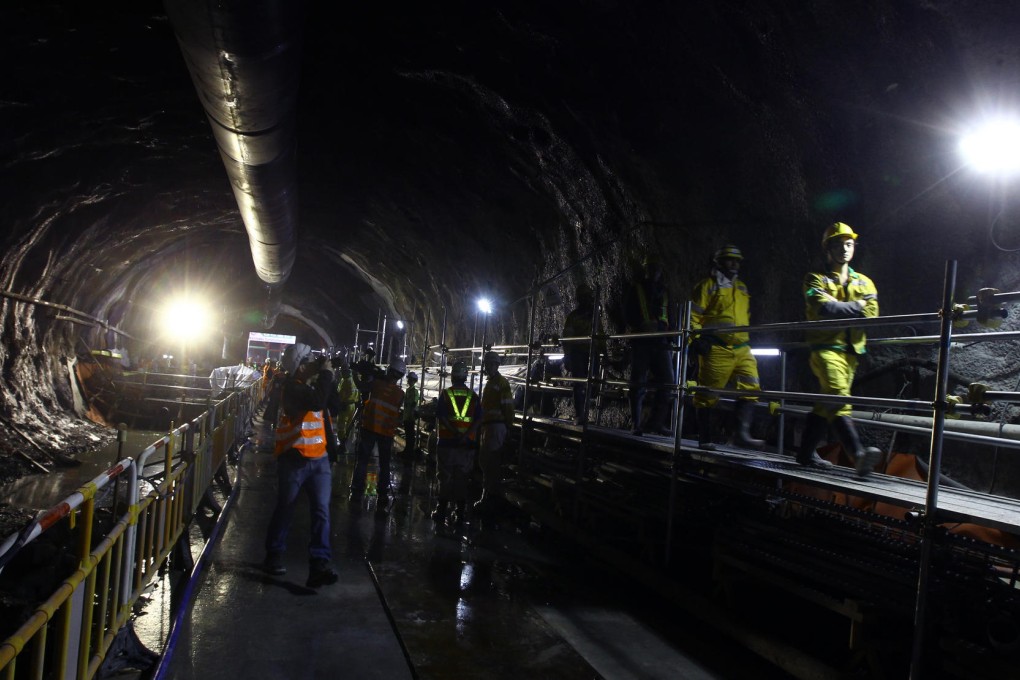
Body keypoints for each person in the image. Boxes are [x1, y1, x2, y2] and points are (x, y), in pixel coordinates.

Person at [798, 222, 882, 476]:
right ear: (828, 248)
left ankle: (804, 453)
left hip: (852, 352)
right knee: (837, 394)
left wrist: (843, 307)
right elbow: (825, 309)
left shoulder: (864, 282)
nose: (845, 249)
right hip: (825, 348)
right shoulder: (814, 279)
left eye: (849, 244)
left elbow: (872, 314)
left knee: (827, 402)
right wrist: (857, 306)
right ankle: (857, 454)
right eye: (838, 244)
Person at [263, 342, 340, 587]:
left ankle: (319, 564)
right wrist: (326, 374)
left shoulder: (313, 386)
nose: (313, 364)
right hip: (294, 459)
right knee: (285, 507)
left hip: (319, 460)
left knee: (321, 511)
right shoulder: (292, 388)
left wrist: (330, 379)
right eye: (309, 361)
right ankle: (274, 554)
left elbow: (332, 406)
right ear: (299, 367)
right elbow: (317, 402)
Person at [690, 245, 764, 451]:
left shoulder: (742, 288)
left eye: (737, 260)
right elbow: (693, 316)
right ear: (719, 262)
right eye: (730, 260)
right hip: (717, 348)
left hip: (742, 347)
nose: (735, 264)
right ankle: (705, 438)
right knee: (707, 394)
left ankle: (741, 434)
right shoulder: (707, 286)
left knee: (751, 387)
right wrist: (696, 340)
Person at [624, 254, 675, 436]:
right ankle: (636, 424)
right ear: (646, 270)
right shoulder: (636, 289)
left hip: (661, 342)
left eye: (657, 268)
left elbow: (670, 316)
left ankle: (656, 423)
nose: (655, 271)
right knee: (638, 382)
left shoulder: (665, 291)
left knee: (668, 382)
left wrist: (672, 339)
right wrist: (640, 324)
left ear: (661, 271)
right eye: (651, 268)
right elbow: (628, 314)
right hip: (642, 341)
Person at [350, 358, 406, 514]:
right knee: (385, 464)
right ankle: (382, 494)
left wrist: (355, 373)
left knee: (363, 460)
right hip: (386, 433)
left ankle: (357, 489)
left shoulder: (376, 384)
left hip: (369, 428)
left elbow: (362, 387)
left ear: (389, 370)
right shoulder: (400, 394)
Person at [433, 360, 481, 532]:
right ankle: (460, 514)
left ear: (453, 376)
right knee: (461, 478)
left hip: (447, 443)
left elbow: (442, 417)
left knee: (445, 478)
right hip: (466, 446)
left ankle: (441, 510)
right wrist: (465, 436)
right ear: (466, 377)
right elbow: (477, 421)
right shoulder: (473, 397)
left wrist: (454, 433)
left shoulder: (446, 394)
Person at [475, 352, 515, 514]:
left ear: (497, 365)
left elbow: (508, 407)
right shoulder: (491, 383)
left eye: (491, 364)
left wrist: (508, 426)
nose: (488, 367)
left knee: (491, 462)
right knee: (485, 461)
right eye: (487, 364)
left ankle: (489, 497)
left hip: (496, 426)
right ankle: (488, 495)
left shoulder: (501, 383)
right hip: (489, 427)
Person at [562, 282, 604, 425]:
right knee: (579, 384)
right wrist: (567, 356)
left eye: (589, 297)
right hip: (578, 353)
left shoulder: (595, 316)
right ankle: (580, 414)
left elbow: (601, 334)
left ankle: (588, 413)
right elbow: (567, 338)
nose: (588, 300)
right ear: (580, 299)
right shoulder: (573, 317)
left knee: (593, 383)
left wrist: (604, 352)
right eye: (585, 297)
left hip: (593, 353)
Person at [333, 359, 360, 452]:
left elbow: (340, 395)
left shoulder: (345, 382)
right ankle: (346, 444)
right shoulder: (353, 380)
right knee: (348, 426)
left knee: (341, 426)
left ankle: (342, 445)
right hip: (352, 406)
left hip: (345, 406)